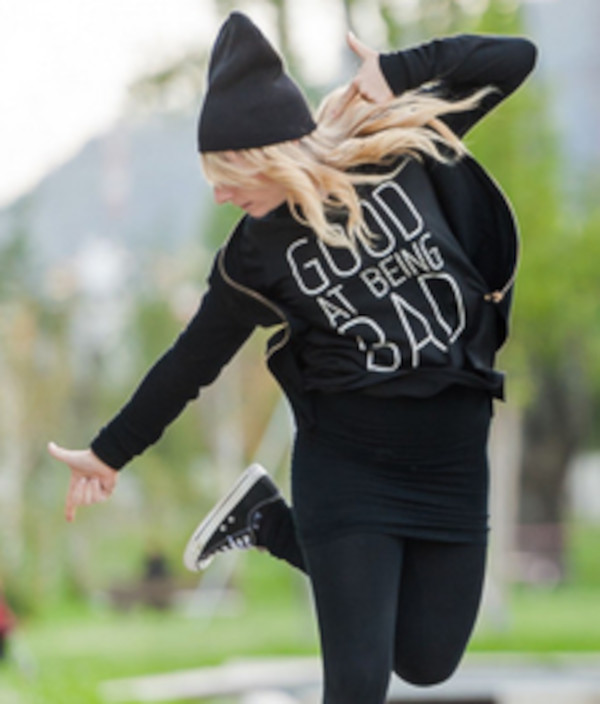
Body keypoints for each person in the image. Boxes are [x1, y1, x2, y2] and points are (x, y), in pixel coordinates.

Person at [48, 12, 537, 704]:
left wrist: (399, 70)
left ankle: (266, 521)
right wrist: (108, 454)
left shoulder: (392, 149)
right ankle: (291, 524)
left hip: (452, 459)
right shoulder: (253, 256)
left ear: (268, 152)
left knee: (428, 661)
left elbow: (515, 57)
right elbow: (190, 362)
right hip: (349, 466)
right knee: (359, 685)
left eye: (228, 174)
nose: (220, 194)